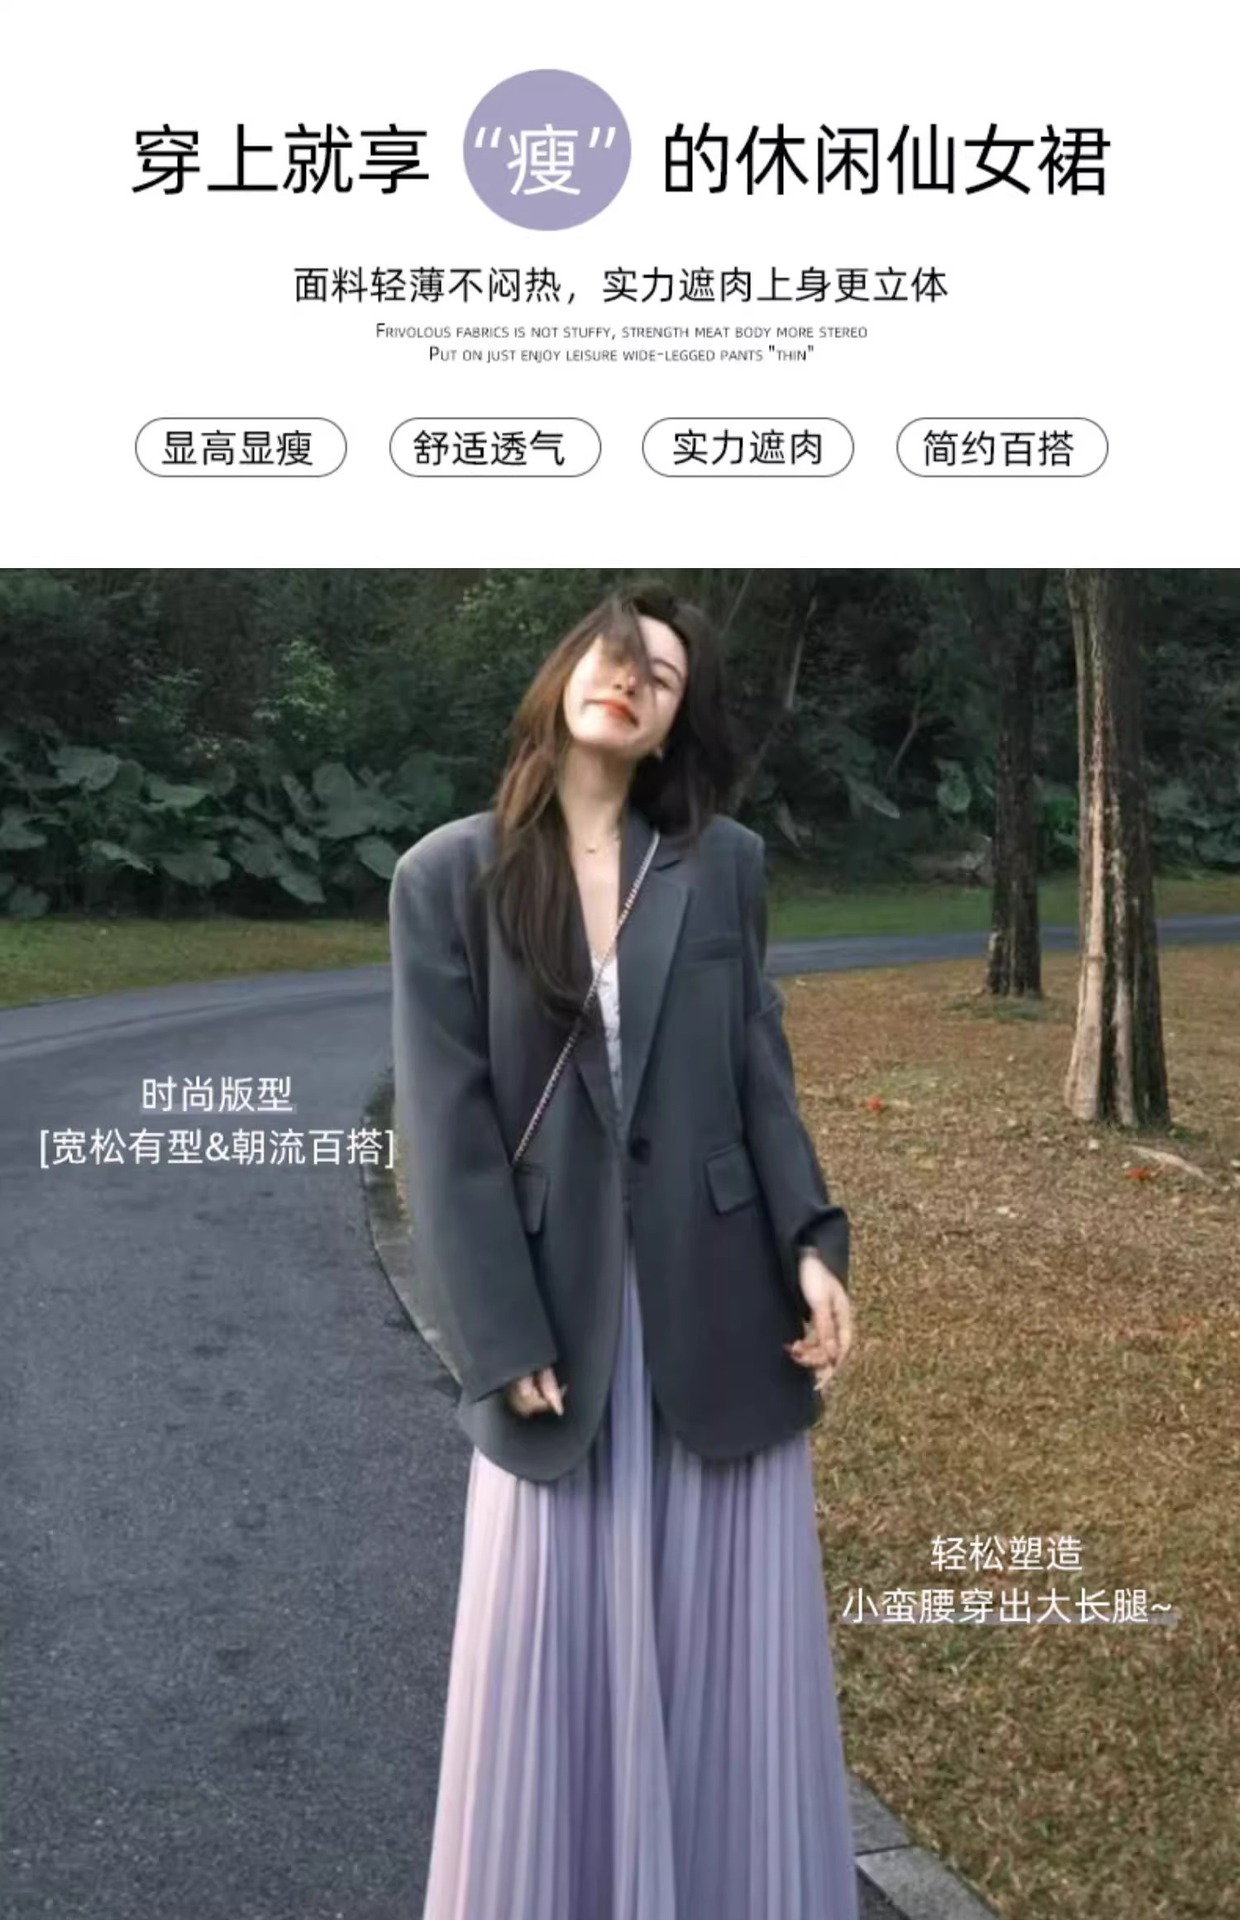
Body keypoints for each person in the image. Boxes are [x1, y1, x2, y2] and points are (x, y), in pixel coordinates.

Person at [389, 581, 859, 1920]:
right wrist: (498, 1331)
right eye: (614, 654)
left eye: (662, 674)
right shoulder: (449, 875)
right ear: (563, 677)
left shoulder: (723, 864)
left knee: (728, 1650)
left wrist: (813, 1243)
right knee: (548, 1636)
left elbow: (760, 1072)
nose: (632, 678)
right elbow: (446, 1125)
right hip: (558, 1322)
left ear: (672, 723)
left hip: (720, 1302)